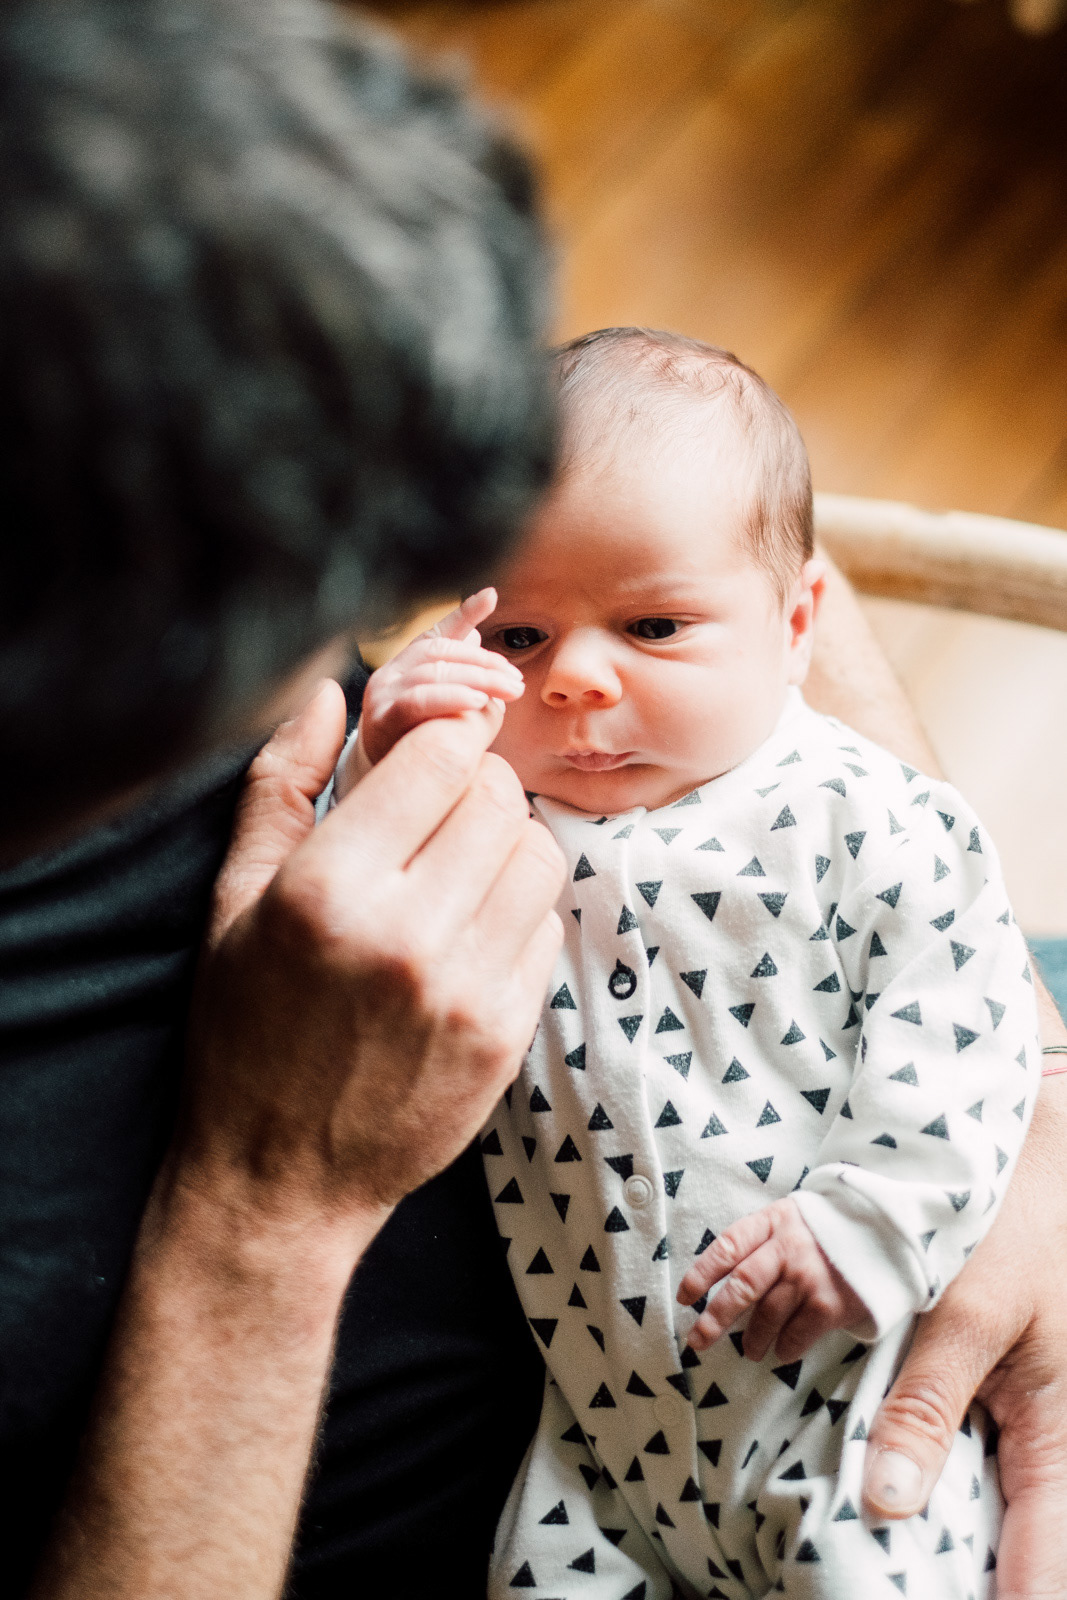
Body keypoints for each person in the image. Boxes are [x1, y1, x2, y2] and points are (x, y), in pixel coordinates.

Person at [0, 3, 1065, 1598]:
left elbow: (721, 538)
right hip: (575, 1486)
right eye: (500, 631)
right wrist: (266, 1205)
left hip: (885, 1302)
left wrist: (1019, 1125)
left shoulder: (148, 277)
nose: (528, 676)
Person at [342, 329, 1041, 1598]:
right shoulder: (491, 807)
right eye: (518, 640)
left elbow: (963, 1034)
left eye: (653, 626)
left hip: (840, 1395)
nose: (575, 683)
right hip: (601, 1441)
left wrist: (869, 1227)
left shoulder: (863, 816)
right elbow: (352, 904)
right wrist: (386, 755)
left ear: (793, 625)